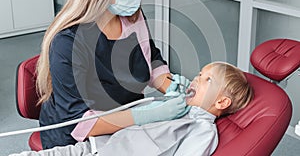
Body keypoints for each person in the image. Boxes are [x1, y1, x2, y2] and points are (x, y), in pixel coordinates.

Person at [36, 0, 190, 149]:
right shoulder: (68, 42)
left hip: (127, 121)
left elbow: (150, 59)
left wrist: (170, 86)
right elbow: (78, 122)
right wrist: (150, 115)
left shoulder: (132, 17)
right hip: (77, 139)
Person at [12, 61, 253, 156]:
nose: (196, 79)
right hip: (93, 148)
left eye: (207, 80)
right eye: (200, 74)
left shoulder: (202, 130)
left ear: (221, 102)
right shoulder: (174, 107)